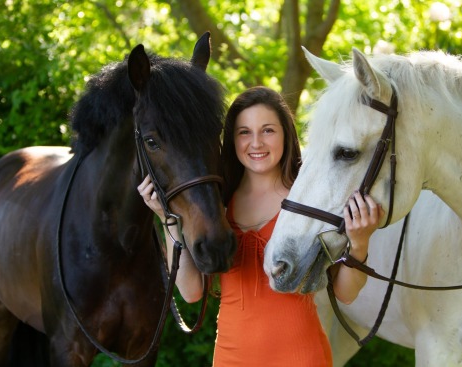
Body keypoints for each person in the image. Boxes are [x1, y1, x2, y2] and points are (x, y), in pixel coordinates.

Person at [137, 86, 384, 366]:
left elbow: (346, 293)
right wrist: (167, 218)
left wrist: (360, 241)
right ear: (232, 139)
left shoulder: (312, 200)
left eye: (268, 130)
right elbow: (192, 292)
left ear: (285, 134)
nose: (256, 143)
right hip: (231, 358)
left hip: (301, 357)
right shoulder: (217, 204)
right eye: (244, 132)